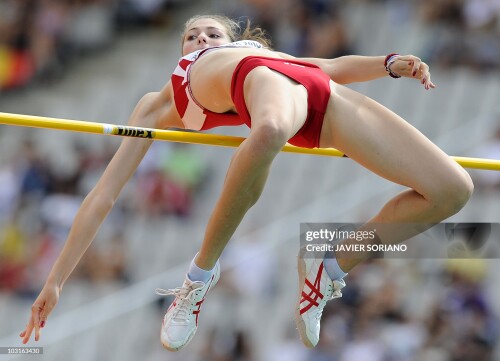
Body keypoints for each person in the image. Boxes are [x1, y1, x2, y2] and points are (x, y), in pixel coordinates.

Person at [20, 14, 473, 351]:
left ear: (234, 41)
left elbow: (332, 67)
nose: (202, 38)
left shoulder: (263, 52)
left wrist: (392, 63)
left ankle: (329, 266)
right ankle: (198, 278)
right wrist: (56, 281)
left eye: (213, 34)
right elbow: (104, 194)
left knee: (453, 191)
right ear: (183, 53)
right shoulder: (161, 101)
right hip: (268, 97)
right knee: (269, 132)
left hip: (319, 96)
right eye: (192, 36)